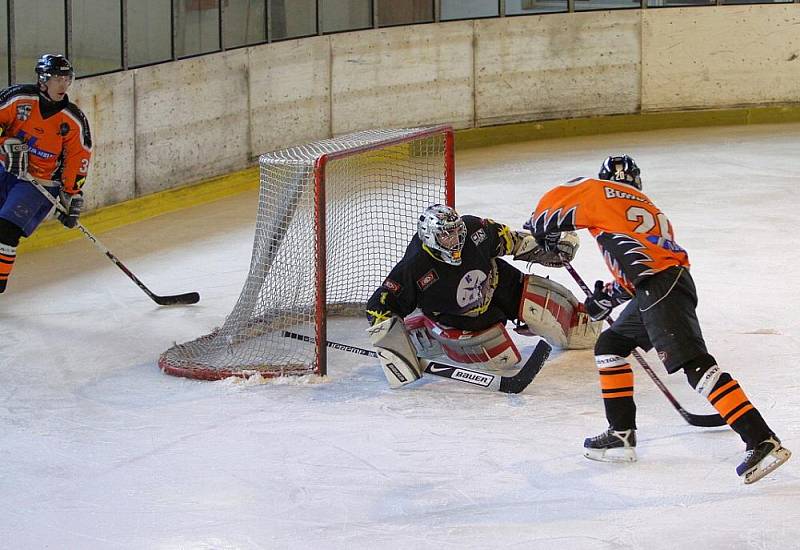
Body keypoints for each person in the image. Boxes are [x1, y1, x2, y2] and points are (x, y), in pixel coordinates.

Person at [526, 154, 790, 484]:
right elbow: (641, 265)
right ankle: (621, 434)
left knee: (696, 365)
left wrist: (540, 227)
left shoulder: (600, 193)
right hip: (663, 284)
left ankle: (761, 439)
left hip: (659, 287)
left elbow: (561, 197)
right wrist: (606, 297)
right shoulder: (648, 208)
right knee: (611, 344)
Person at [364, 204, 601, 389]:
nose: (455, 240)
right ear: (431, 237)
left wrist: (546, 248)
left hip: (499, 284)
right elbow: (379, 305)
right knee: (502, 357)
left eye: (457, 232)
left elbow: (512, 241)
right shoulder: (415, 266)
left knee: (560, 318)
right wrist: (395, 352)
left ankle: (572, 320)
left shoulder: (475, 229)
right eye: (447, 235)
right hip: (460, 316)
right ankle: (428, 332)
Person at [0, 54, 92, 293]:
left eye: (66, 79)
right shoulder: (18, 99)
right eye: (57, 78)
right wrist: (4, 142)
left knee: (5, 230)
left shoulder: (73, 120)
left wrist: (71, 194)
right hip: (4, 170)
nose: (63, 84)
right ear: (42, 80)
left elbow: (78, 158)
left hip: (38, 183)